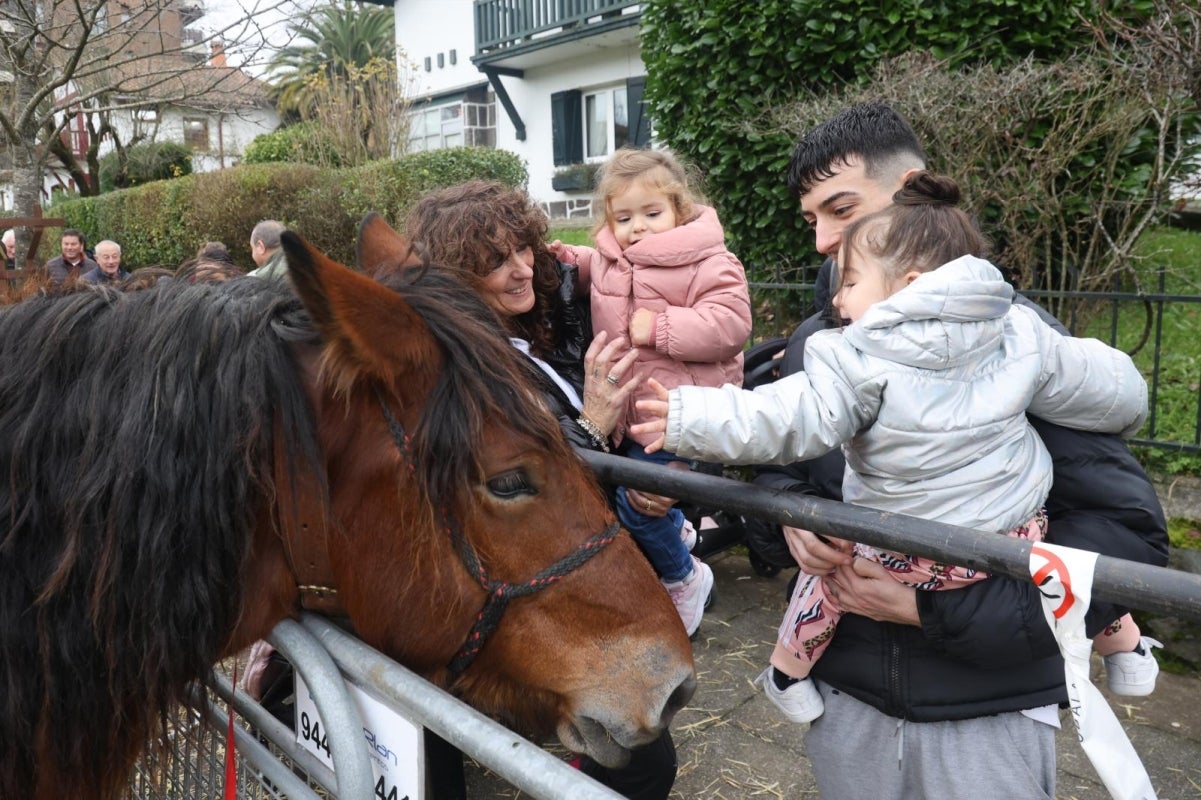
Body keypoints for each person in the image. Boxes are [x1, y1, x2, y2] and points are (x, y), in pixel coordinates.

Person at [709, 102, 1167, 799]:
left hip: (985, 716)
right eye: (812, 221)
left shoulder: (1017, 343)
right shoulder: (817, 341)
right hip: (845, 702)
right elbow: (786, 471)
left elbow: (1123, 545)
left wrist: (932, 612)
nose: (824, 242)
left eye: (842, 209)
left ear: (912, 190)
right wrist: (793, 516)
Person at [636, 170, 1158, 729]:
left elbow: (787, 415)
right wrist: (1131, 398)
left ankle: (787, 674)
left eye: (850, 281)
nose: (836, 296)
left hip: (907, 547)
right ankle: (1125, 647)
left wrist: (692, 415)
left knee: (827, 583)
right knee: (1056, 562)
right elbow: (1107, 387)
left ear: (907, 285)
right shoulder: (1020, 331)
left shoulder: (860, 357)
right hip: (1014, 536)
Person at [403, 179, 683, 800]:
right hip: (532, 585)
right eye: (496, 261)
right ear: (454, 280)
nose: (522, 268)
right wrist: (596, 426)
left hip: (578, 562)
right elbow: (518, 484)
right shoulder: (465, 367)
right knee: (643, 764)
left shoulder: (530, 327)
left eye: (524, 248)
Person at [549, 148, 752, 636]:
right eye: (624, 217)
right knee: (626, 493)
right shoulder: (614, 261)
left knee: (638, 507)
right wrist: (567, 260)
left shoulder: (709, 261)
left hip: (685, 417)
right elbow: (595, 267)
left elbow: (731, 324)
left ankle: (686, 579)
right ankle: (678, 532)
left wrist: (659, 327)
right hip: (636, 417)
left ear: (679, 209)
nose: (637, 227)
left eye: (651, 213)